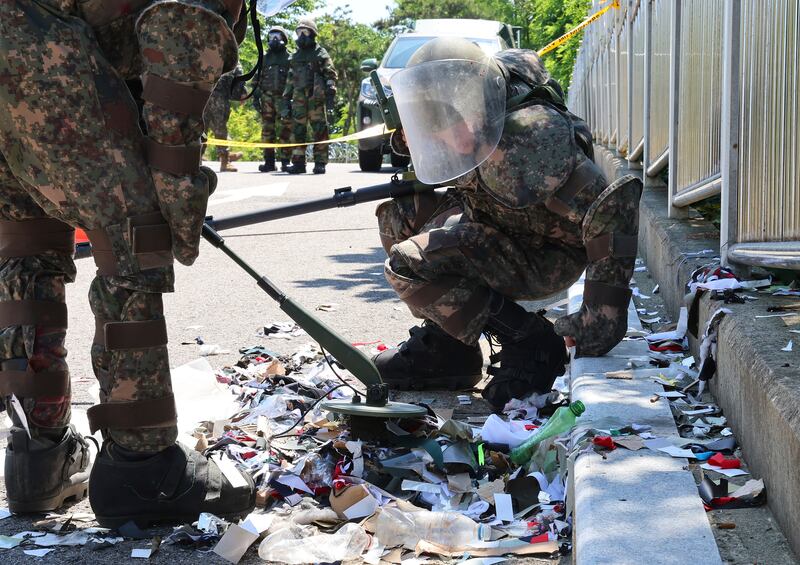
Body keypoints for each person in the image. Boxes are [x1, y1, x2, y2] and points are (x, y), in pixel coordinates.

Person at [0, 0, 255, 525]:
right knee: (134, 243)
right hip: (45, 58)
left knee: (26, 248)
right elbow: (180, 45)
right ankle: (144, 470)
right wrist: (178, 191)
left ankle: (38, 459)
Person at [373, 38, 642, 409]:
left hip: (544, 252)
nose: (441, 133)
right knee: (399, 218)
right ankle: (452, 351)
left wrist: (601, 318)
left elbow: (613, 205)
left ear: (476, 105)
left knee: (410, 261)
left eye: (447, 121)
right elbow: (441, 159)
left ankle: (530, 342)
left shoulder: (526, 146)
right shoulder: (479, 106)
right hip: (498, 217)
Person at [282, 18, 338, 175]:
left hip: (316, 97)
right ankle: (298, 162)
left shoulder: (320, 53)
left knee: (319, 129)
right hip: (299, 97)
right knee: (298, 129)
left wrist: (330, 89)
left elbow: (330, 73)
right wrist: (285, 99)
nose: (300, 36)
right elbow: (290, 79)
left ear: (312, 34)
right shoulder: (296, 56)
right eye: (298, 33)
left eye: (304, 32)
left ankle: (320, 162)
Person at [253, 26, 293, 173]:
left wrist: (292, 99)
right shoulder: (264, 58)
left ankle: (285, 161)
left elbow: (295, 80)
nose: (274, 39)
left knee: (286, 130)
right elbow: (256, 79)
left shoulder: (290, 58)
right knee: (267, 131)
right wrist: (255, 98)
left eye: (277, 36)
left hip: (284, 99)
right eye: (271, 36)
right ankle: (269, 162)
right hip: (267, 99)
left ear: (284, 38)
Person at [204, 64, 246, 173]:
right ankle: (225, 161)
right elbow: (238, 77)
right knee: (220, 129)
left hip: (202, 94)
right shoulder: (232, 57)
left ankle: (197, 158)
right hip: (218, 96)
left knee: (200, 128)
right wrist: (242, 93)